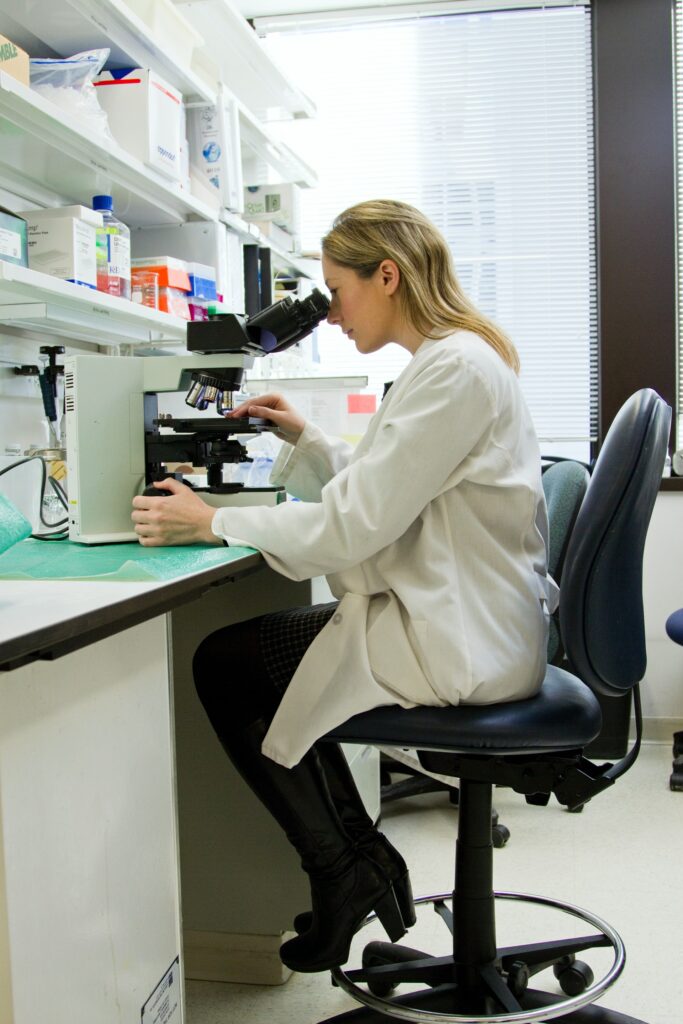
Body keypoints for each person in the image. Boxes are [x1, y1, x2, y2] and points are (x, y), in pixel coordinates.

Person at [131, 199, 557, 974]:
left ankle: (343, 867)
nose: (329, 315)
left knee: (228, 666)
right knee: (261, 667)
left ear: (386, 276)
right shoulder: (450, 362)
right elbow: (389, 490)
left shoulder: (453, 370)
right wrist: (311, 439)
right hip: (457, 615)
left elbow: (353, 527)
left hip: (456, 635)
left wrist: (212, 521)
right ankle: (353, 860)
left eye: (338, 291)